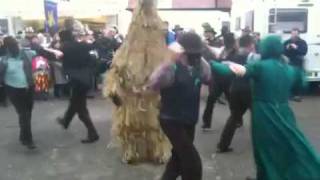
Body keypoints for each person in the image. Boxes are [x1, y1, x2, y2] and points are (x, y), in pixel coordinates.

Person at [211, 35, 320, 180]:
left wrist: (210, 62)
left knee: (265, 149)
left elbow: (230, 72)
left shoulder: (261, 66)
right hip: (284, 112)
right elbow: (303, 85)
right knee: (291, 144)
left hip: (264, 113)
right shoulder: (289, 69)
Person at [147, 32, 211, 180]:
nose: (195, 57)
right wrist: (168, 62)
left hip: (190, 119)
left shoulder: (200, 64)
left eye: (197, 53)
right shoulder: (171, 67)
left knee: (177, 159)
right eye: (192, 53)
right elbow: (153, 84)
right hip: (171, 120)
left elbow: (208, 78)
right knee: (192, 161)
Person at [216, 35, 258, 153]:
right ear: (251, 44)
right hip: (248, 89)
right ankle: (261, 143)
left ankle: (223, 145)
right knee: (257, 116)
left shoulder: (234, 56)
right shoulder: (251, 57)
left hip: (234, 88)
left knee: (234, 117)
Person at [56, 29, 99, 144]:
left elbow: (58, 58)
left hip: (76, 81)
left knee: (80, 109)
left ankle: (93, 133)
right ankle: (65, 121)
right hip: (86, 79)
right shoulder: (82, 45)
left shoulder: (64, 48)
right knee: (75, 102)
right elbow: (93, 54)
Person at [0, 36, 36, 149]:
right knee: (24, 114)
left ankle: (23, 136)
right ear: (6, 48)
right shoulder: (3, 60)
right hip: (13, 90)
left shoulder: (27, 54)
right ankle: (28, 140)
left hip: (28, 87)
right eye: (11, 46)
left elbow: (39, 52)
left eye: (15, 45)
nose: (14, 48)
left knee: (27, 113)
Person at [202, 32, 237, 130]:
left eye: (227, 41)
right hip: (218, 80)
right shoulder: (222, 50)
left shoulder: (235, 53)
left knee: (233, 103)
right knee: (211, 100)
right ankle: (206, 123)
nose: (225, 43)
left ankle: (237, 120)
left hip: (229, 80)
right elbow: (214, 52)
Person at [284, 28, 308, 102]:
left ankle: (297, 95)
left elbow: (304, 52)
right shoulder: (287, 42)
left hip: (298, 63)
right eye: (293, 33)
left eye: (295, 34)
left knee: (298, 80)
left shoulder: (302, 42)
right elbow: (282, 51)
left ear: (298, 34)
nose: (294, 35)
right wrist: (286, 48)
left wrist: (296, 47)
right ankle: (289, 96)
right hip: (289, 63)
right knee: (289, 79)